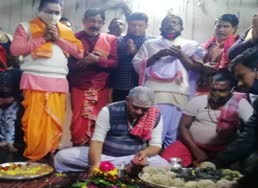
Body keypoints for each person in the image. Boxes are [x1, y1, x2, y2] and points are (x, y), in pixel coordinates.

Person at [10, 0, 84, 160]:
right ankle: (34, 157)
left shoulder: (65, 30)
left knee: (55, 122)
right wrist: (43, 39)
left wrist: (57, 39)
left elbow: (79, 53)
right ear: (39, 10)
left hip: (58, 81)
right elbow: (15, 50)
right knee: (34, 123)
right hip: (34, 81)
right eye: (49, 11)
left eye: (57, 13)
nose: (53, 16)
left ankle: (50, 156)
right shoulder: (26, 26)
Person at [54, 86, 168, 172]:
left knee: (165, 166)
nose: (139, 112)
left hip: (134, 158)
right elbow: (97, 141)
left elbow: (156, 145)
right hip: (105, 156)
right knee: (61, 157)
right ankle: (121, 169)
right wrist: (95, 167)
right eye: (135, 107)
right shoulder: (108, 110)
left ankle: (115, 169)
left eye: (144, 109)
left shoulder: (155, 114)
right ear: (127, 100)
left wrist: (143, 154)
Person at [133, 14, 206, 148]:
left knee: (174, 132)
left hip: (180, 92)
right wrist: (158, 55)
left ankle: (167, 162)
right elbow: (138, 65)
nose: (172, 25)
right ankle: (151, 158)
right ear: (161, 27)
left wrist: (181, 55)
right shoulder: (150, 44)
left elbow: (199, 67)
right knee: (155, 130)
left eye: (175, 22)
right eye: (168, 22)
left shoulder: (191, 45)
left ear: (182, 27)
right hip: (155, 92)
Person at [161, 72, 253, 167]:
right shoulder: (198, 101)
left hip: (223, 150)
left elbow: (253, 127)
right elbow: (183, 127)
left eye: (221, 90)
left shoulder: (240, 103)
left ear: (232, 90)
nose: (215, 94)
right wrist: (196, 150)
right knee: (165, 163)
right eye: (213, 89)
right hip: (191, 146)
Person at [67, 8, 118, 146]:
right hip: (80, 86)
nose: (95, 24)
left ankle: (94, 151)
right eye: (92, 21)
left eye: (99, 22)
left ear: (103, 24)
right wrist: (83, 61)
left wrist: (97, 60)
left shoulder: (110, 40)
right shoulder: (74, 38)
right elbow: (68, 65)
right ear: (84, 21)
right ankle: (77, 149)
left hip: (101, 86)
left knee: (99, 120)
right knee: (79, 121)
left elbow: (114, 63)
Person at [112, 12, 153, 102]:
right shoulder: (118, 40)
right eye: (133, 25)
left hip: (144, 85)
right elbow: (113, 61)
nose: (136, 28)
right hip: (121, 84)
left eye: (140, 25)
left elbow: (154, 63)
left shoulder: (152, 42)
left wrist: (134, 52)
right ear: (128, 25)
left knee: (141, 113)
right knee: (120, 112)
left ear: (146, 26)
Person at [0, 46, 22, 152]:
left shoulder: (17, 73)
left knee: (9, 121)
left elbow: (20, 89)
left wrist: (12, 98)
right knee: (1, 121)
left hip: (12, 102)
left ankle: (10, 142)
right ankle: (3, 140)